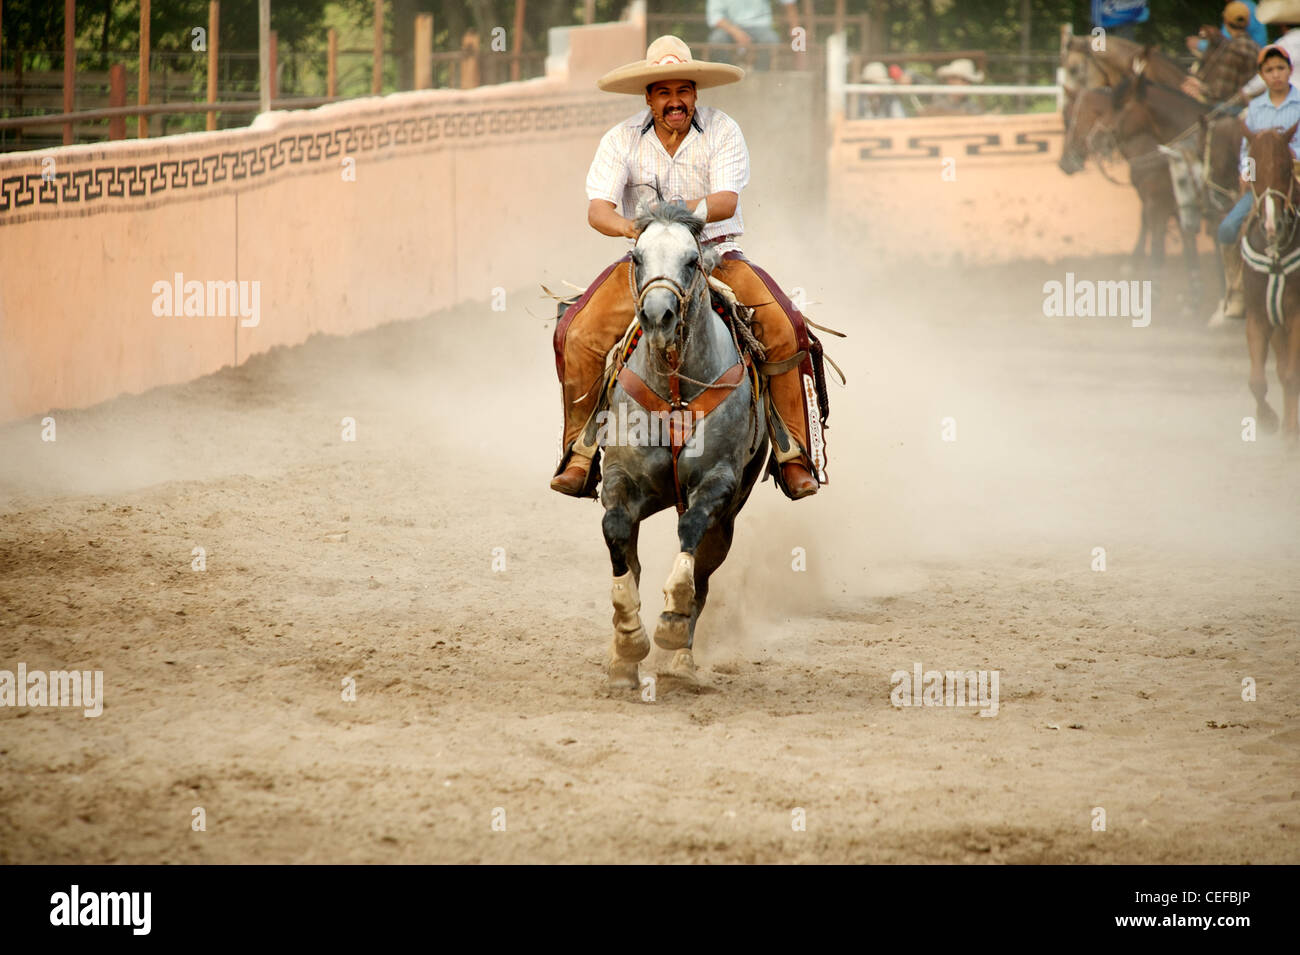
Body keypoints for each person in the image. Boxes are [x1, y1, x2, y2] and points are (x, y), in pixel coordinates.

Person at [551, 36, 825, 500]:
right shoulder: (620, 139)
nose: (675, 101)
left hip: (715, 255)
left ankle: (792, 452)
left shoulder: (723, 130)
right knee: (575, 334)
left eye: (684, 90)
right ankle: (581, 451)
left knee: (787, 326)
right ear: (649, 97)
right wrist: (633, 230)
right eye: (664, 91)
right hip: (648, 260)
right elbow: (597, 209)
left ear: (695, 92)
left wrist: (678, 219)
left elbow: (726, 200)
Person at [1213, 44, 1300, 325]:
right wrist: (1247, 174)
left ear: (1290, 70)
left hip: (1295, 178)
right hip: (1263, 186)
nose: (1276, 75)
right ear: (1262, 75)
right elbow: (1245, 151)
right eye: (1269, 70)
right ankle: (1236, 288)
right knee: (1228, 228)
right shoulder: (1255, 109)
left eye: (1281, 68)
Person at [1183, 3, 1261, 107]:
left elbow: (1221, 92)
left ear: (1225, 21)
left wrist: (1198, 86)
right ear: (1247, 23)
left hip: (1229, 109)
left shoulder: (1233, 48)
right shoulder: (1256, 47)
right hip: (1247, 106)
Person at [707, 0, 799, 70]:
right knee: (717, 40)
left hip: (760, 27)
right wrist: (736, 32)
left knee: (770, 40)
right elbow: (714, 17)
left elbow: (789, 2)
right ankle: (727, 75)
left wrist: (795, 28)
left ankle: (762, 78)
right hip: (730, 27)